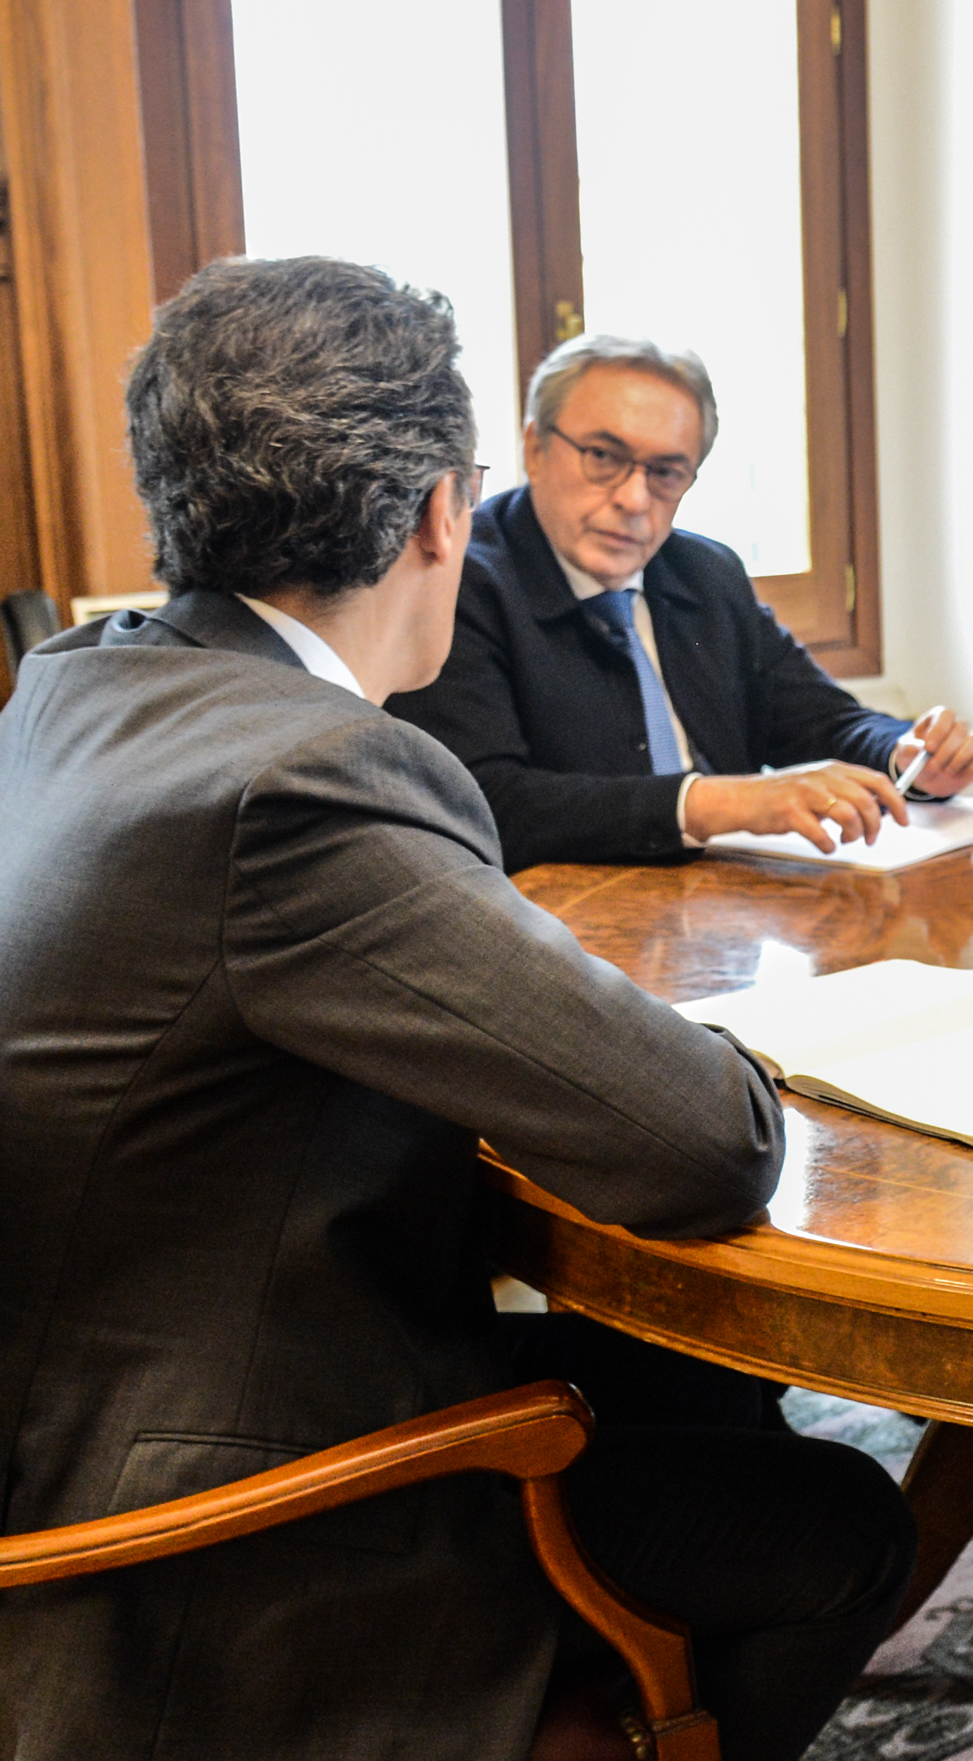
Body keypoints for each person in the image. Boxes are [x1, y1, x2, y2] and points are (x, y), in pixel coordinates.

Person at [0, 258, 914, 1760]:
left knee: (692, 1386)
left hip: (86, 1409)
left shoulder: (75, 681)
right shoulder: (304, 776)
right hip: (206, 1548)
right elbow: (705, 1144)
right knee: (842, 1519)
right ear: (445, 509)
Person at [388, 333, 973, 872]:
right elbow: (487, 803)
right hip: (563, 926)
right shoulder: (460, 578)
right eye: (603, 457)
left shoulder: (705, 571)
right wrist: (713, 803)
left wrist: (907, 755)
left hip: (726, 915)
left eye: (667, 473)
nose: (634, 499)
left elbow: (823, 721)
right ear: (536, 448)